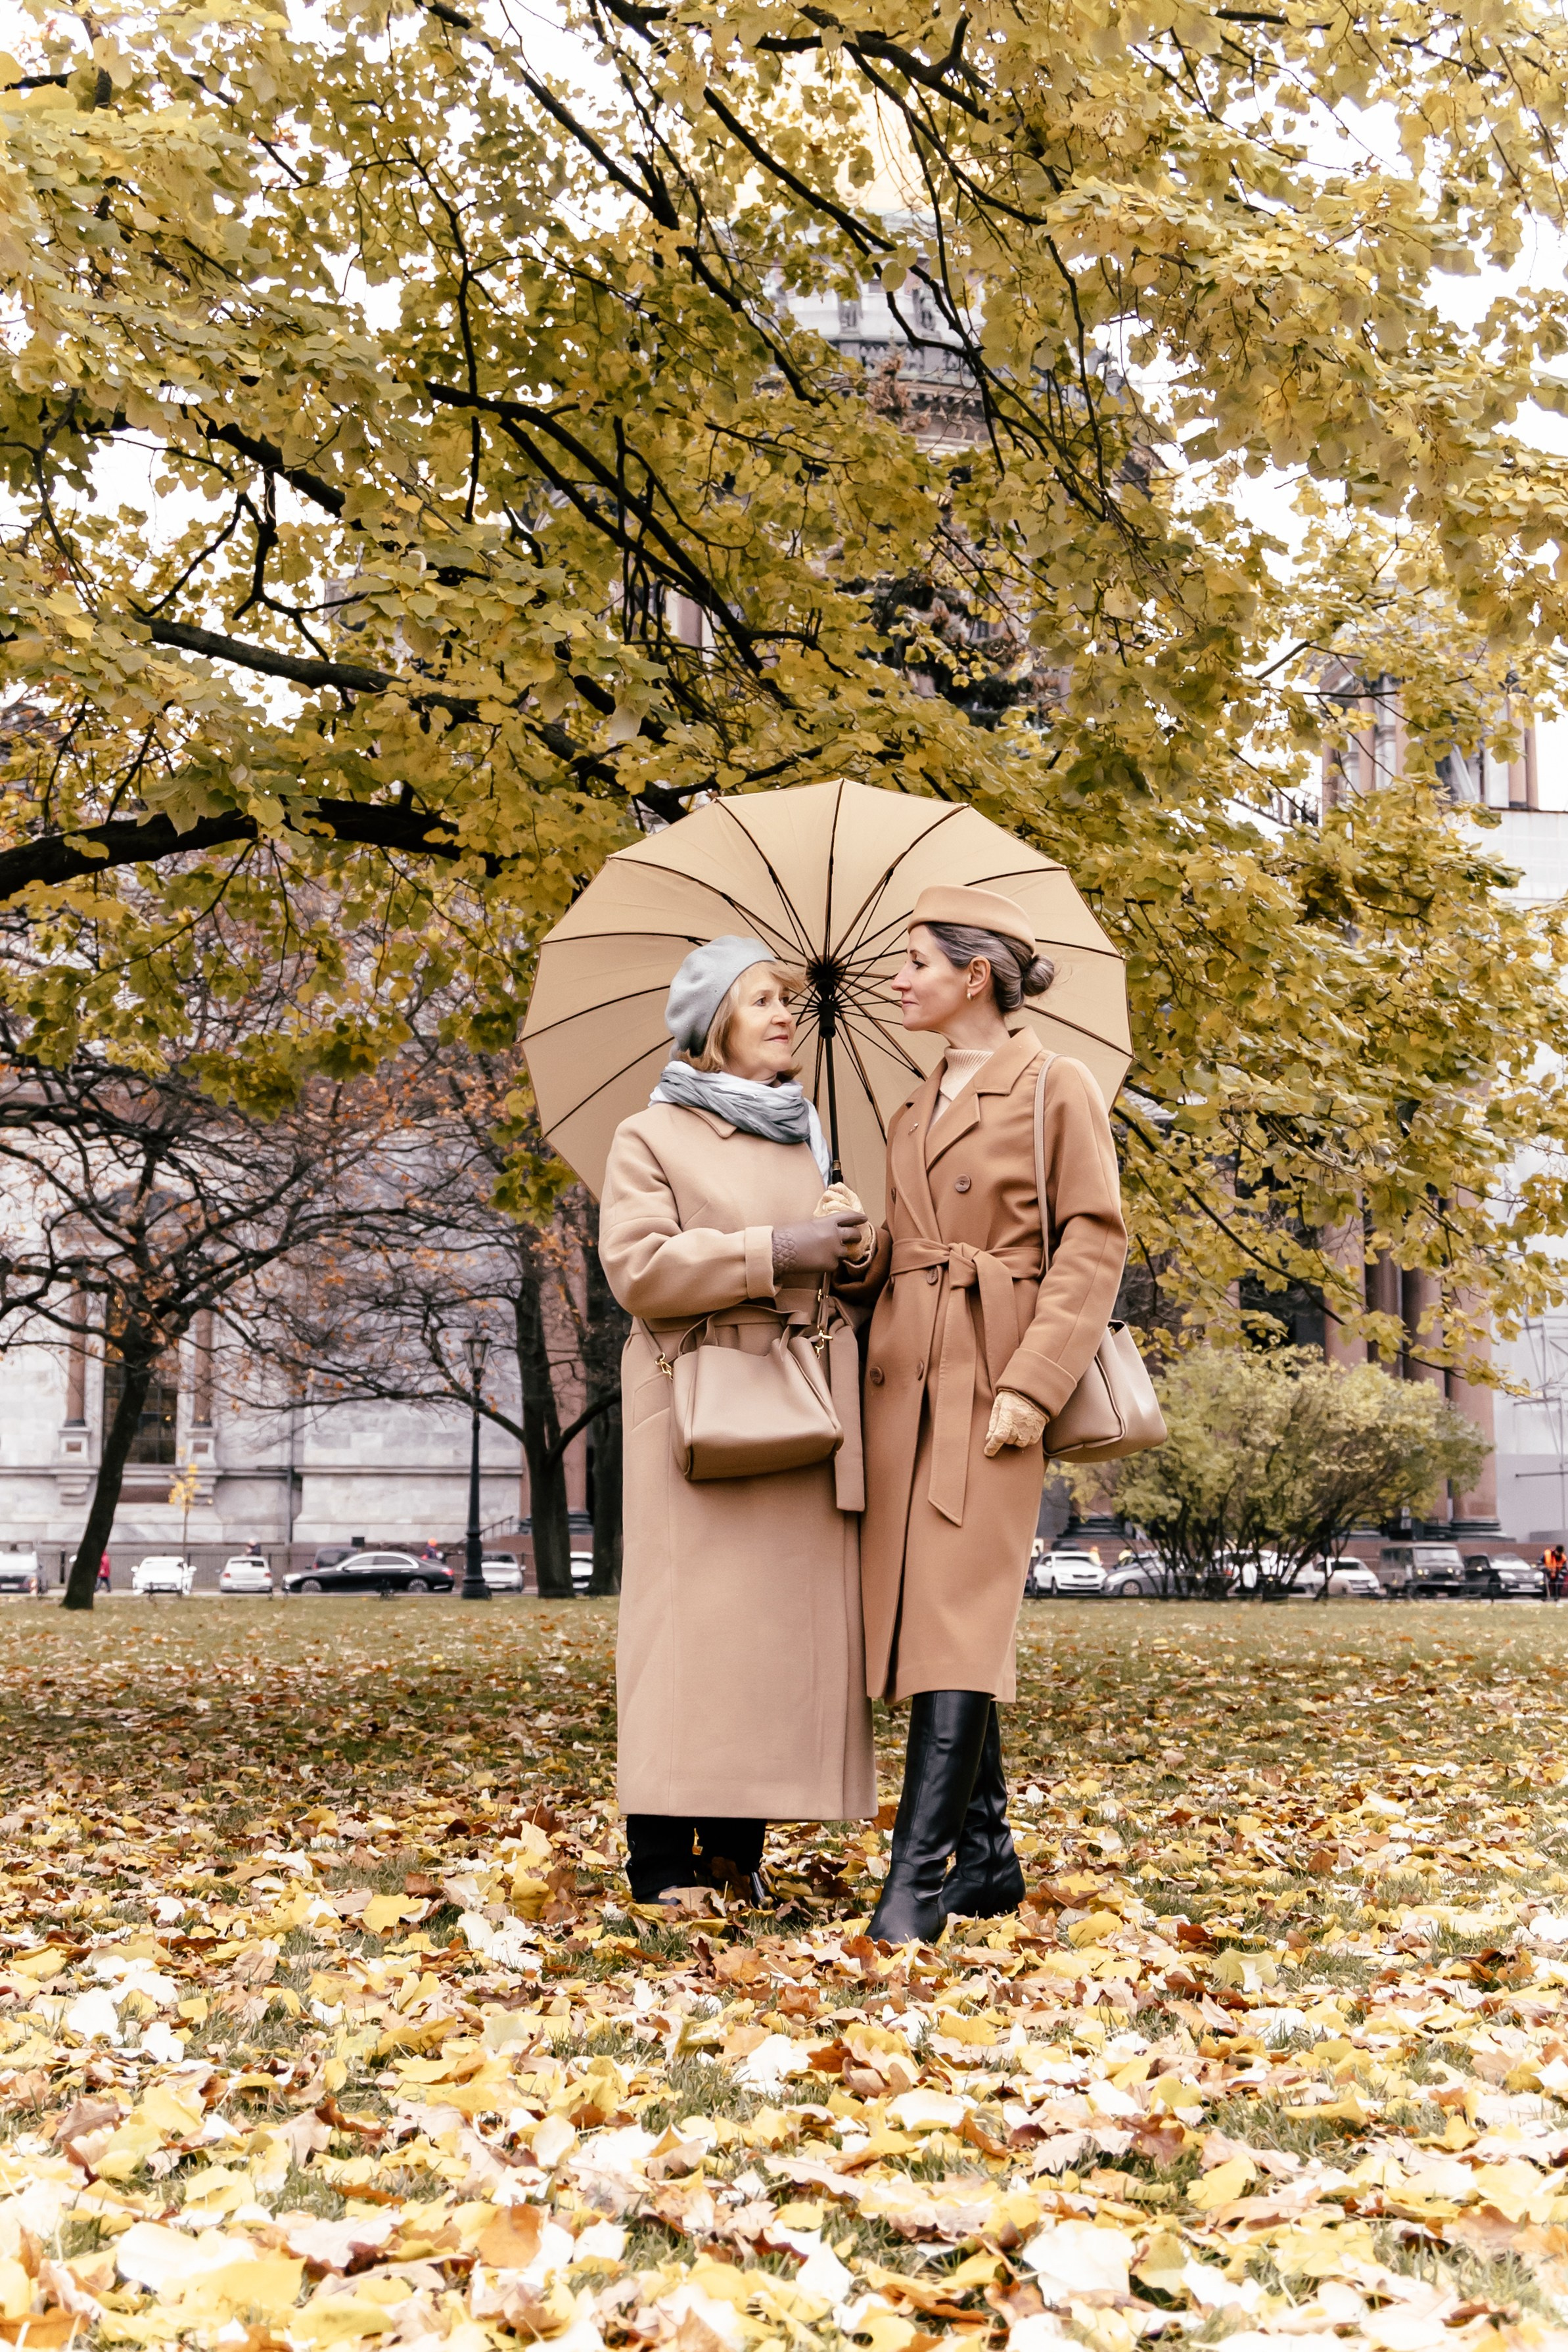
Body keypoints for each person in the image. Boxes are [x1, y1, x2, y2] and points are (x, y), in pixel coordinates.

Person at [840, 885, 1128, 1943]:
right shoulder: (909, 1105)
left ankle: (913, 1883)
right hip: (898, 1380)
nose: (897, 980)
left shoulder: (1056, 1083)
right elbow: (905, 1245)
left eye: (913, 962)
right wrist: (856, 1243)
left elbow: (1093, 1241)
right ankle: (989, 1856)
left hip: (993, 1373)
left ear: (974, 974)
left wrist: (1031, 1385)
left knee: (957, 1616)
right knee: (928, 1617)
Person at [599, 937, 877, 1906]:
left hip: (801, 1399)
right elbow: (637, 1271)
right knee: (689, 1636)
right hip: (696, 1400)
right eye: (760, 1000)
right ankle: (662, 1862)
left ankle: (734, 1851)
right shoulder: (652, 1134)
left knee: (772, 1640)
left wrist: (853, 1243)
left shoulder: (811, 1136)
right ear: (713, 1020)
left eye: (786, 1002)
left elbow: (844, 1271)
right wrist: (775, 1247)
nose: (780, 1014)